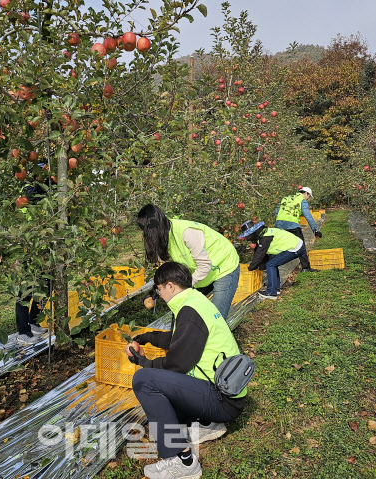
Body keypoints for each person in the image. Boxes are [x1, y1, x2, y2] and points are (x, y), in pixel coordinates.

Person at [126, 262, 246, 479]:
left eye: (159, 289)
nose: (159, 295)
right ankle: (207, 424)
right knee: (159, 378)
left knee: (144, 380)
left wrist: (144, 363)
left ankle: (182, 461)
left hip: (222, 401)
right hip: (227, 393)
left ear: (170, 286)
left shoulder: (189, 311)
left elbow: (177, 363)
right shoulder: (195, 301)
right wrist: (147, 337)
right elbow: (178, 339)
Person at [137, 204, 240, 320]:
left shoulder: (187, 233)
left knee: (217, 317)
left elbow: (204, 265)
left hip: (223, 266)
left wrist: (183, 286)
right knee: (184, 310)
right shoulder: (166, 236)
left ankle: (218, 337)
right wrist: (155, 290)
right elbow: (172, 270)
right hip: (201, 271)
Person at [15, 180, 49, 345]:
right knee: (26, 292)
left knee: (45, 289)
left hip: (46, 250)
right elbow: (31, 195)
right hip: (30, 249)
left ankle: (33, 322)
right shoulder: (26, 187)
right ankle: (23, 331)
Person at [237, 220, 306, 300]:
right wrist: (257, 266)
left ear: (253, 233)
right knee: (272, 263)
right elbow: (260, 254)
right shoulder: (262, 234)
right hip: (296, 245)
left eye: (248, 236)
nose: (246, 238)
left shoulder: (265, 237)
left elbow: (259, 255)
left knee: (271, 264)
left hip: (295, 247)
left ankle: (271, 292)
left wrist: (250, 268)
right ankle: (275, 289)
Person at [274, 186, 322, 272]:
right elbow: (308, 216)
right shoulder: (302, 201)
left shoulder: (285, 198)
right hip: (292, 226)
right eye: (309, 196)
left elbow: (276, 212)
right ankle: (305, 267)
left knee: (276, 246)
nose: (308, 198)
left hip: (279, 225)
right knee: (301, 246)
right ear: (306, 193)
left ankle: (271, 267)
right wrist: (315, 230)